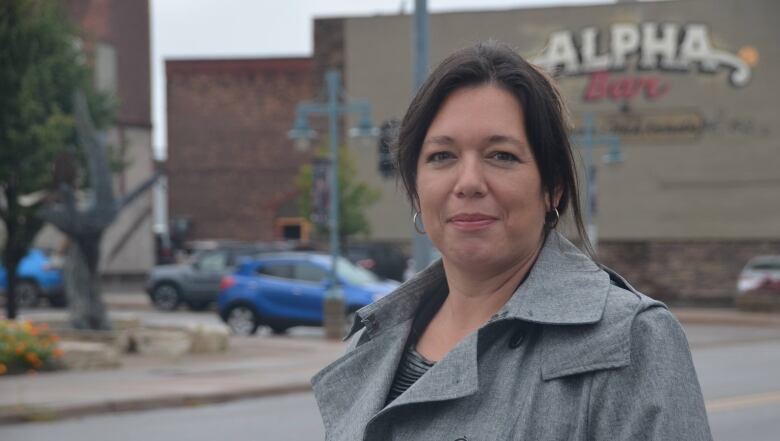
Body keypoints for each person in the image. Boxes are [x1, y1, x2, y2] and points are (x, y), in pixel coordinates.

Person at [312, 41, 712, 441]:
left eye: (501, 155)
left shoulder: (632, 339)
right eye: (441, 156)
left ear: (552, 188)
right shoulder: (374, 340)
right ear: (416, 189)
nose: (468, 182)